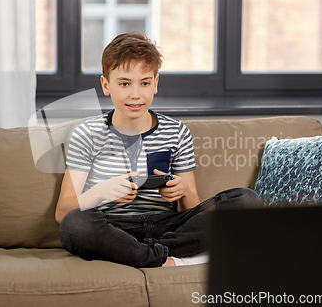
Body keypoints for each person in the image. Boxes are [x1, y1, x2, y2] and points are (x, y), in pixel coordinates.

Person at [55, 31, 261, 268]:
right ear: (106, 85)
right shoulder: (87, 134)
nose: (135, 94)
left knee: (245, 200)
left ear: (155, 84)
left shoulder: (177, 132)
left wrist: (181, 190)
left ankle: (143, 255)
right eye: (124, 83)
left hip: (168, 227)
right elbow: (63, 212)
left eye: (144, 83)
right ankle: (166, 260)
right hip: (114, 229)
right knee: (75, 225)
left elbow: (192, 209)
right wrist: (102, 191)